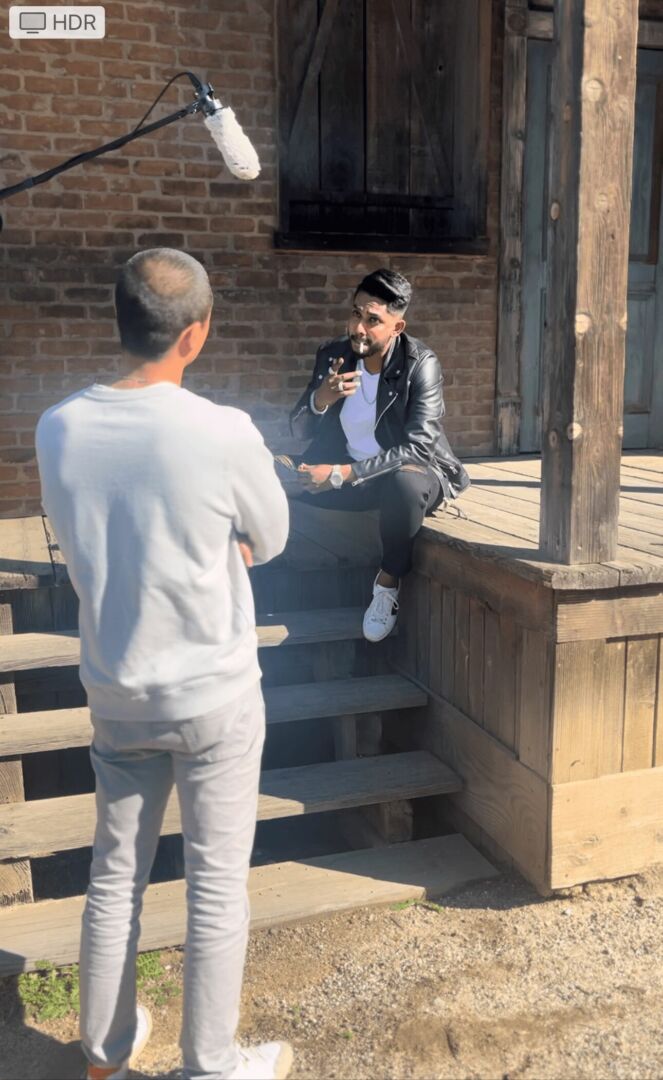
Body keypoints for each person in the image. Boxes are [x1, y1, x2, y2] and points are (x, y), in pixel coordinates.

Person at [35, 249, 292, 1080]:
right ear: (195, 334)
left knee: (115, 875)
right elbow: (272, 537)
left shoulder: (57, 427)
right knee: (216, 884)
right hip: (214, 690)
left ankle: (104, 1051)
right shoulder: (223, 431)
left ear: (120, 320)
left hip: (117, 687)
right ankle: (209, 1064)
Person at [283, 268, 469, 642]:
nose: (359, 328)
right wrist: (322, 398)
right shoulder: (334, 355)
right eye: (356, 314)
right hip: (348, 474)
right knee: (266, 470)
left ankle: (386, 586)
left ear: (397, 327)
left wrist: (340, 474)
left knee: (405, 485)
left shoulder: (420, 363)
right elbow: (298, 430)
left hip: (404, 474)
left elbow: (418, 447)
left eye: (373, 320)